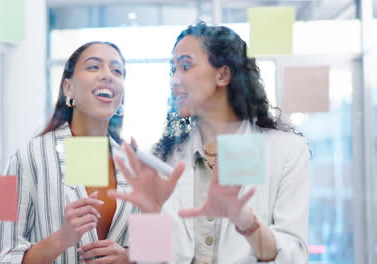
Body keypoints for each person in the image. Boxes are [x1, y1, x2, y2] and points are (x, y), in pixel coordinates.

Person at [109, 22, 310, 264]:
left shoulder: (284, 151)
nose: (174, 80)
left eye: (185, 66)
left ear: (223, 74)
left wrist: (247, 223)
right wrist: (151, 215)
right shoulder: (163, 158)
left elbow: (294, 255)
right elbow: (149, 259)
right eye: (173, 70)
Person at [0, 41, 142, 264]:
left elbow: (159, 255)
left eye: (117, 71)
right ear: (68, 88)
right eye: (93, 66)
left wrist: (131, 258)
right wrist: (62, 238)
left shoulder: (134, 165)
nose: (108, 75)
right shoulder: (23, 157)